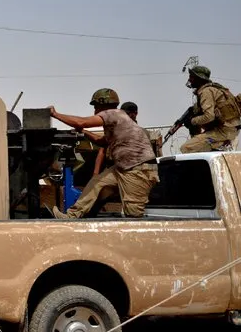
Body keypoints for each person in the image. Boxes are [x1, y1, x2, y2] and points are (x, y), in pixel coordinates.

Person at [48, 88, 160, 219]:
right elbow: (101, 142)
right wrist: (82, 132)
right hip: (123, 168)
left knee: (133, 215)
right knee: (96, 183)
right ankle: (72, 215)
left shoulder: (113, 114)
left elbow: (81, 121)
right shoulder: (118, 121)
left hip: (138, 169)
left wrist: (55, 114)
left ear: (104, 104)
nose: (95, 111)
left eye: (96, 107)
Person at [179, 66, 241, 153]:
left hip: (223, 132)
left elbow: (209, 116)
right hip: (229, 129)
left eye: (192, 76)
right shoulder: (214, 88)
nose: (189, 79)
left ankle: (219, 147)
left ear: (199, 79)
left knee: (186, 148)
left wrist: (192, 121)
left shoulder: (206, 92)